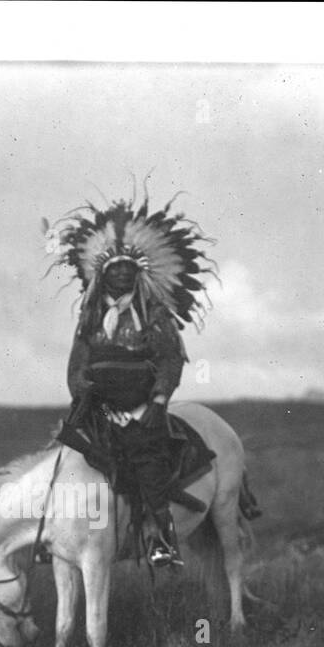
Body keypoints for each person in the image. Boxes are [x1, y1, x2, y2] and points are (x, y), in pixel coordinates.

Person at [52, 194, 216, 567]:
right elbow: (77, 362)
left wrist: (158, 403)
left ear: (138, 273)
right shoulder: (91, 316)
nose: (122, 274)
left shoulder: (153, 313)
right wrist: (81, 390)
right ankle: (59, 536)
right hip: (98, 409)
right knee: (64, 459)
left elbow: (170, 359)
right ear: (103, 274)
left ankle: (161, 538)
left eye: (129, 269)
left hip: (142, 408)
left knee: (148, 463)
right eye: (115, 269)